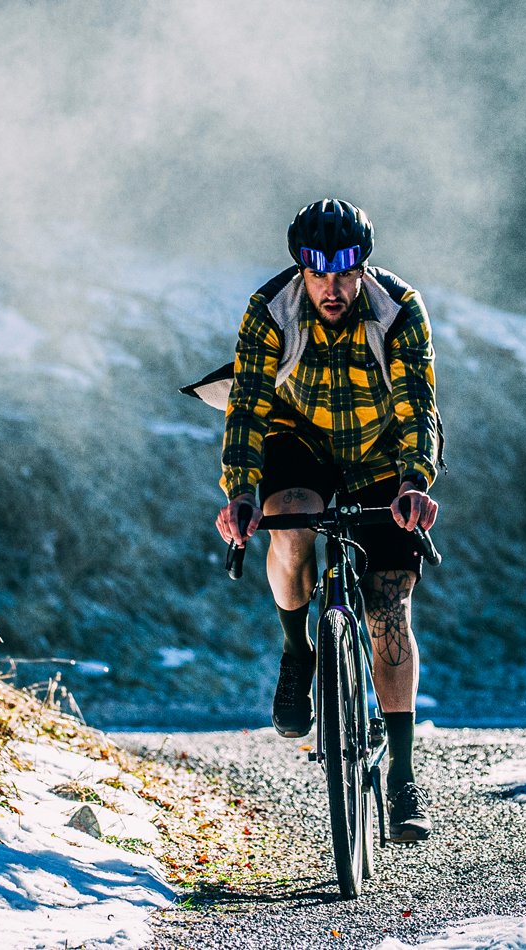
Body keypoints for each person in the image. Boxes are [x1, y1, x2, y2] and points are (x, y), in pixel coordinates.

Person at [214, 198, 442, 842]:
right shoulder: (270, 313)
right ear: (301, 270)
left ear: (363, 268)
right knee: (289, 521)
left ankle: (401, 778)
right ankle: (297, 649)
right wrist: (241, 492)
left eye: (345, 274)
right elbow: (248, 410)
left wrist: (413, 483)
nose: (333, 289)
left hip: (379, 451)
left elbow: (417, 407)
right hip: (299, 440)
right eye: (319, 275)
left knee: (387, 607)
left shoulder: (400, 311)